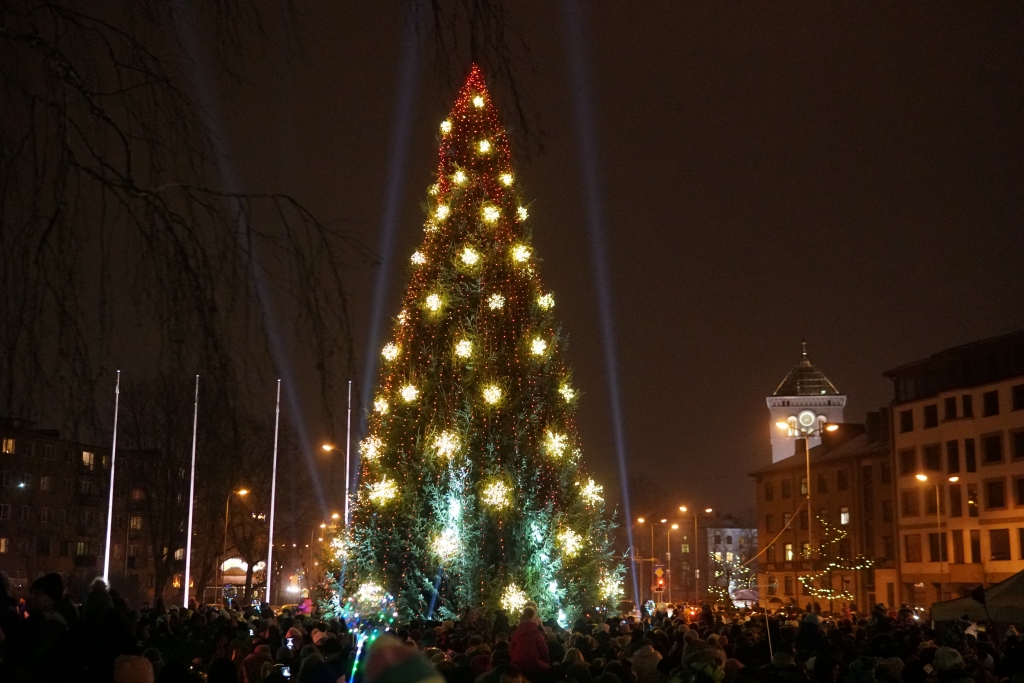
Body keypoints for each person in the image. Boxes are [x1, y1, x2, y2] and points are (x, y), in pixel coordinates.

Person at [509, 607, 550, 678]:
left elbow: (511, 649)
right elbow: (544, 650)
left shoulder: (517, 632)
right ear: (533, 617)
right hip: (533, 663)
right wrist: (545, 663)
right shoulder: (536, 632)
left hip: (516, 663)